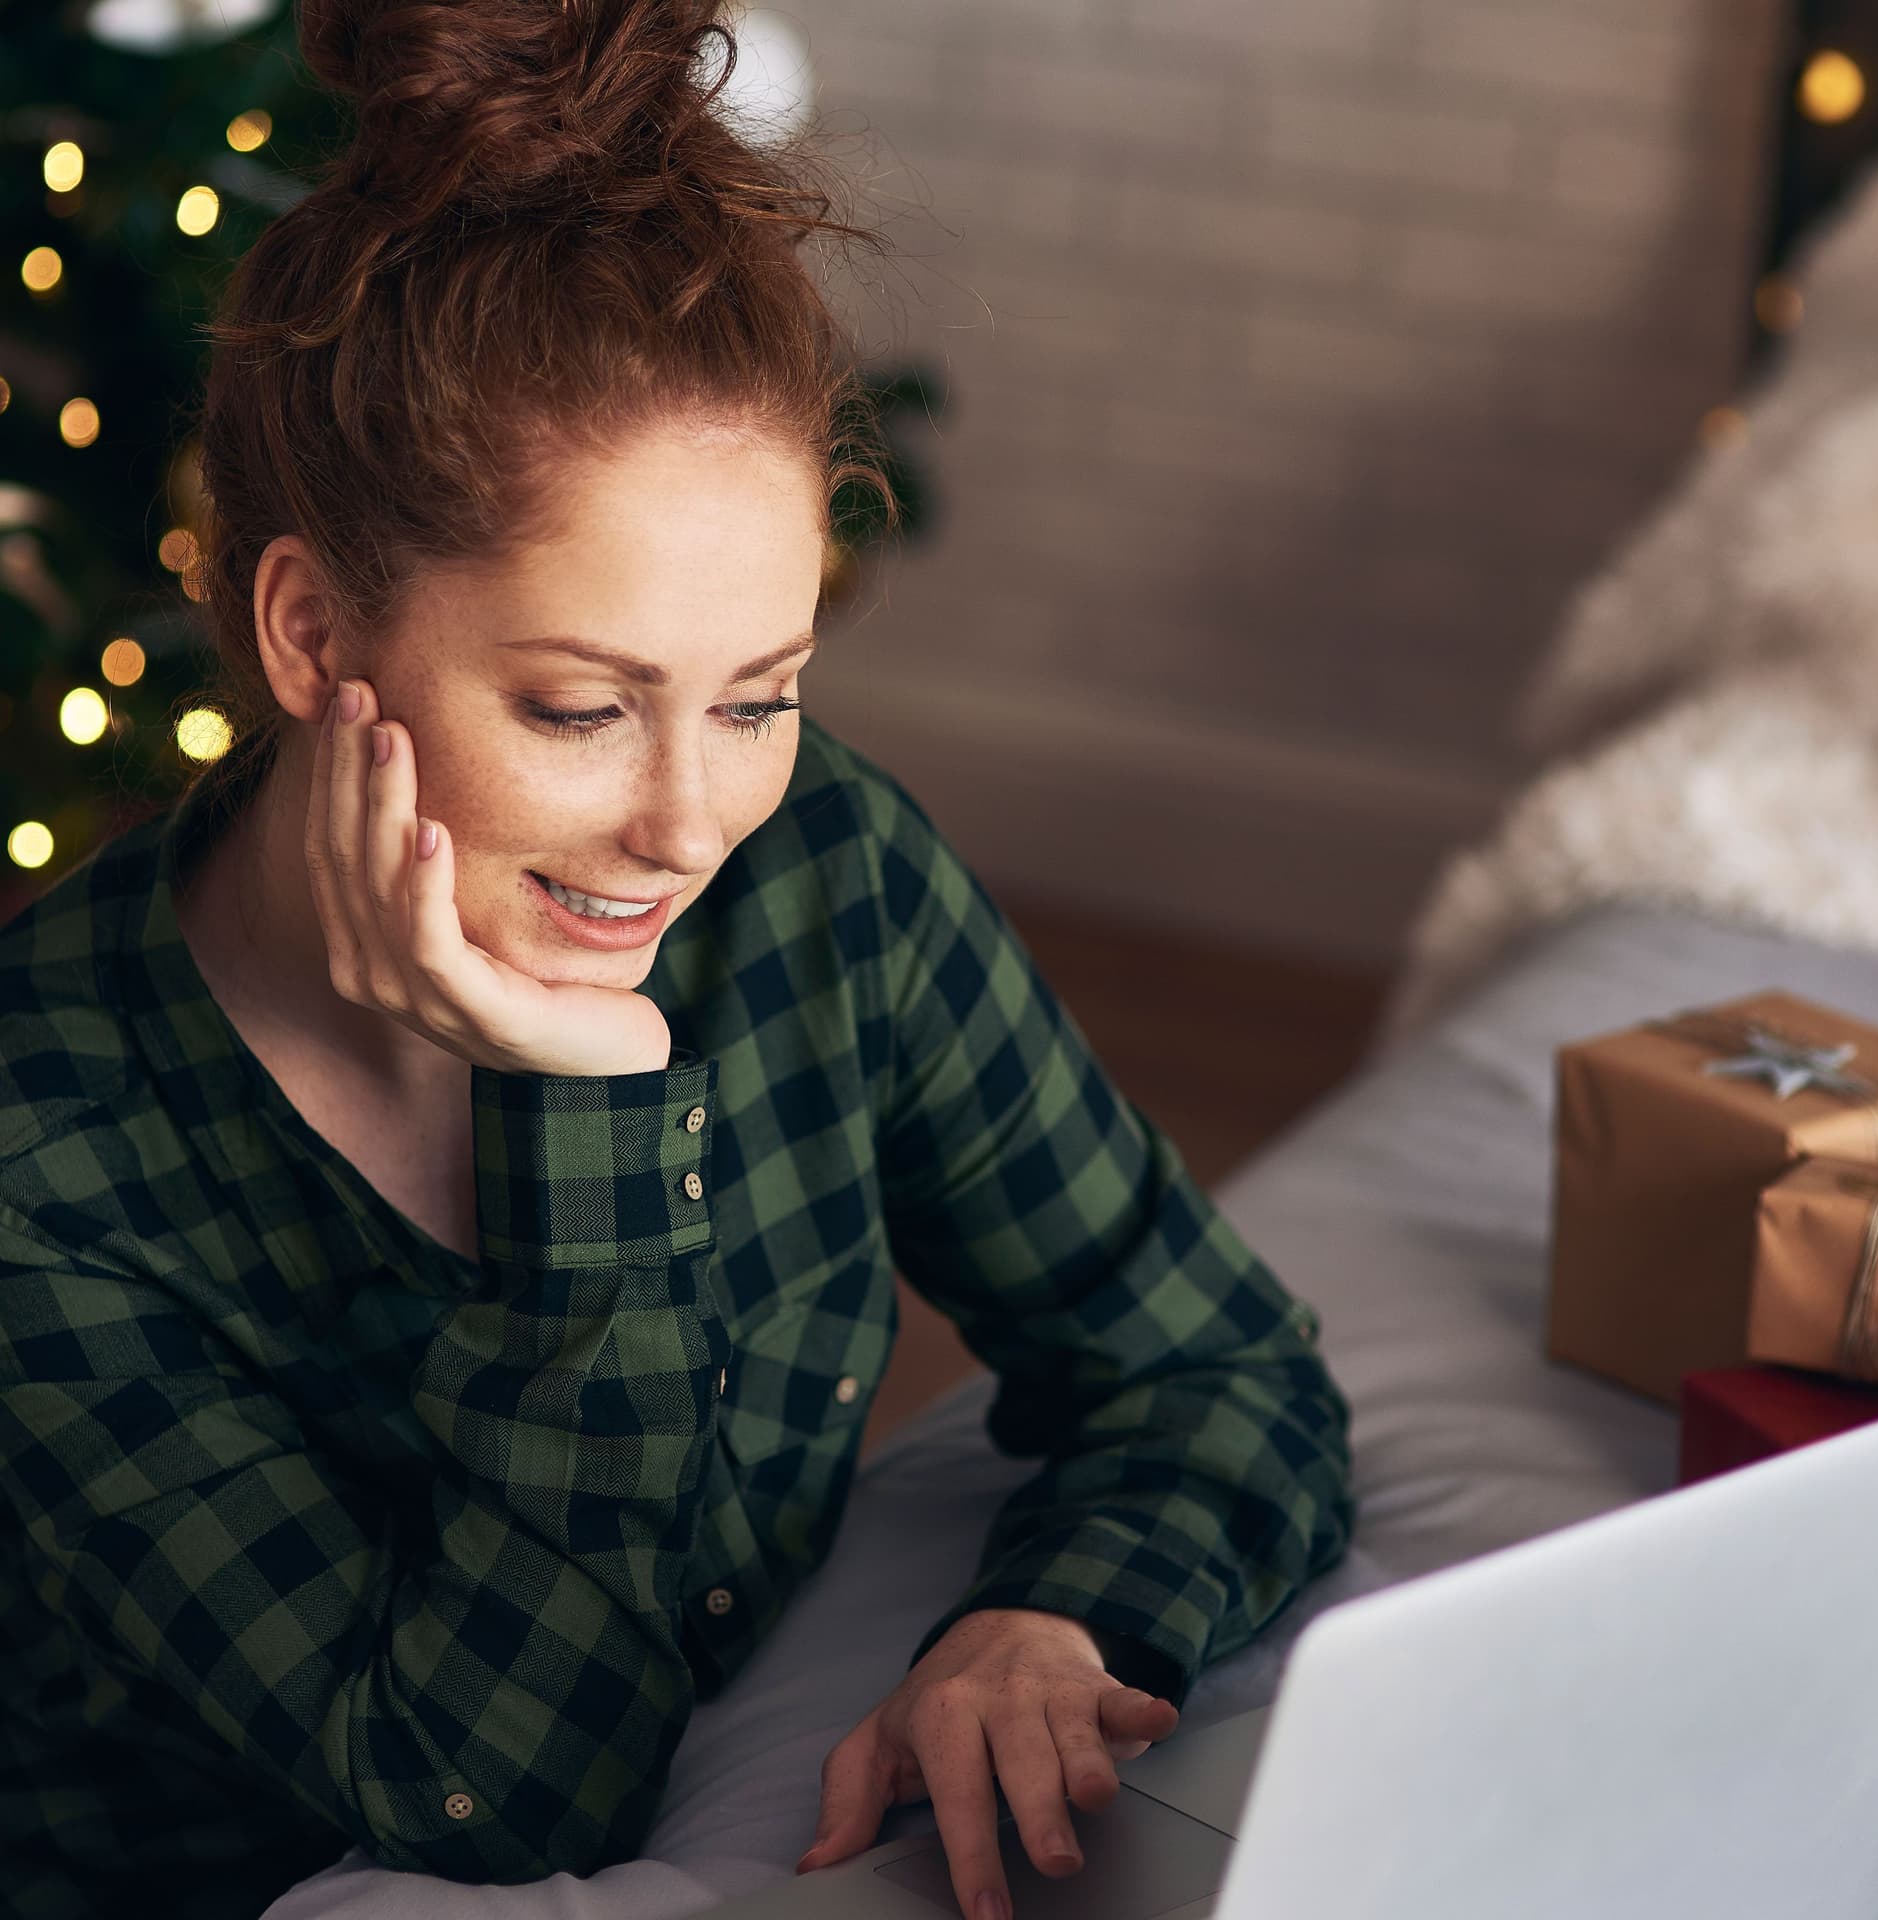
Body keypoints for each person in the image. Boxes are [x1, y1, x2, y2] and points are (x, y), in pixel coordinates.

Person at [0, 2, 1357, 1915]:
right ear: (310, 634)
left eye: (758, 696)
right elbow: (500, 1803)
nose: (688, 825)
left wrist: (1055, 1621)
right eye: (576, 707)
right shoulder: (45, 1160)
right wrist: (589, 1113)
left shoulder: (824, 877)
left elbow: (1216, 1366)